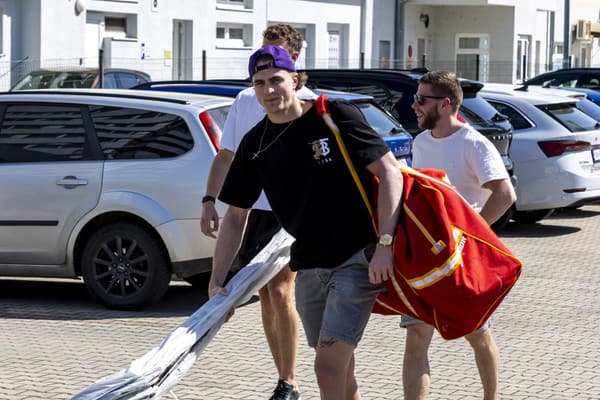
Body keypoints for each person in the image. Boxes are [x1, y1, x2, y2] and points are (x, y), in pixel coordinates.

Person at [209, 45, 404, 400]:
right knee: (341, 374)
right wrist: (217, 282)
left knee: (326, 368)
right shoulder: (256, 143)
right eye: (259, 83)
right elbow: (236, 216)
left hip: (356, 257)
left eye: (277, 80)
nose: (269, 90)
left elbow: (391, 172)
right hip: (310, 264)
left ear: (295, 80)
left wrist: (384, 245)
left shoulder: (334, 116)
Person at [200, 25, 317, 400]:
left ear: (293, 63)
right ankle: (283, 375)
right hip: (254, 211)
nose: (266, 81)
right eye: (261, 63)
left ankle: (290, 380)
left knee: (281, 290)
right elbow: (226, 153)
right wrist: (208, 200)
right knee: (267, 294)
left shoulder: (314, 105)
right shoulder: (245, 100)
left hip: (292, 215)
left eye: (276, 57)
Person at [402, 70, 517, 400]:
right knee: (416, 337)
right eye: (415, 98)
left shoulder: (474, 144)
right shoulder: (420, 141)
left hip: (461, 262)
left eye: (422, 100)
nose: (415, 106)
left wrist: (471, 235)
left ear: (445, 104)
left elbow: (505, 194)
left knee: (478, 335)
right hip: (425, 258)